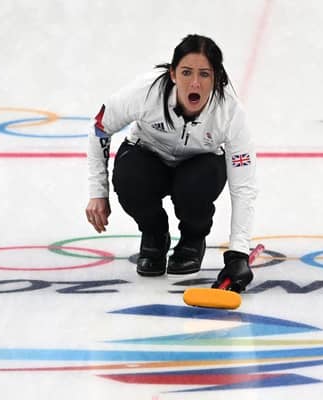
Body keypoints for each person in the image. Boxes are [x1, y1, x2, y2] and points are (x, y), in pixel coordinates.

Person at [85, 34, 257, 293]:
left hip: (198, 169)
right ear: (173, 74)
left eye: (205, 74)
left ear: (217, 78)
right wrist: (98, 192)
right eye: (186, 72)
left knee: (198, 182)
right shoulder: (145, 93)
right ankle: (154, 233)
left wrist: (238, 255)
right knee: (129, 177)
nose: (195, 83)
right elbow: (99, 128)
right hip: (148, 159)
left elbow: (243, 187)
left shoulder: (230, 113)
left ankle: (193, 237)